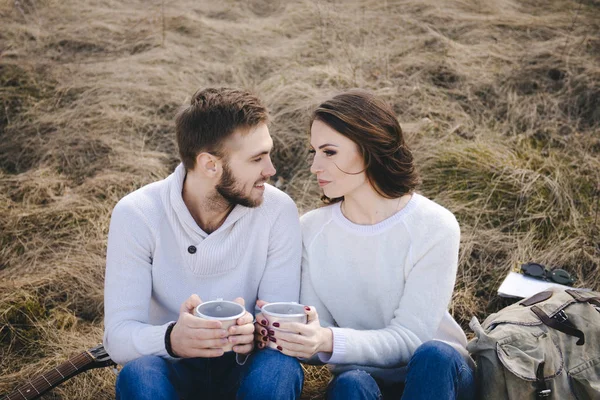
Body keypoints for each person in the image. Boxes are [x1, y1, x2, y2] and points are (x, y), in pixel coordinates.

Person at [254, 90, 475, 399]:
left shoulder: (434, 226)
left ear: (369, 149)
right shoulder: (311, 229)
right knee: (350, 383)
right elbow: (320, 340)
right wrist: (295, 333)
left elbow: (411, 339)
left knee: (433, 356)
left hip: (440, 376)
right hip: (363, 378)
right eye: (313, 152)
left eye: (329, 152)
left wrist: (327, 339)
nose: (315, 166)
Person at [103, 87, 304, 400]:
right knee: (138, 374)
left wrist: (252, 332)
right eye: (257, 158)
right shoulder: (138, 214)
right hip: (170, 365)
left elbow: (277, 323)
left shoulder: (278, 210)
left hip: (246, 365)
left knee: (279, 369)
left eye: (269, 153)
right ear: (210, 164)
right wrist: (173, 339)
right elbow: (117, 338)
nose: (271, 170)